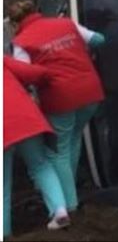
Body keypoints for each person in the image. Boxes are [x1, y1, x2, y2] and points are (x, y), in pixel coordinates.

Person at [8, 0, 106, 212]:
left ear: (15, 24)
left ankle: (69, 205)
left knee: (56, 152)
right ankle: (66, 193)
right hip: (91, 91)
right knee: (73, 139)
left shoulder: (21, 41)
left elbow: (24, 75)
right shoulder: (66, 24)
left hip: (60, 97)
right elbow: (99, 39)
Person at [4, 56, 71, 236]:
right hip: (26, 119)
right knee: (41, 166)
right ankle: (60, 210)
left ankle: (4, 232)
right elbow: (34, 73)